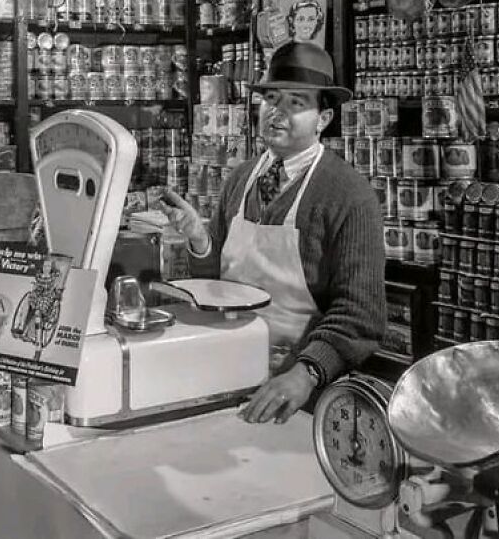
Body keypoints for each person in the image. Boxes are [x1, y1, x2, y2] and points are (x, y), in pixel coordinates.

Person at [162, 41, 386, 425]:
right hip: (226, 371)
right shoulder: (240, 178)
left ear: (324, 118)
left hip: (302, 395)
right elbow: (220, 279)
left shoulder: (348, 193)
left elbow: (361, 314)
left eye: (296, 102)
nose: (277, 112)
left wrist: (306, 373)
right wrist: (200, 240)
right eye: (270, 98)